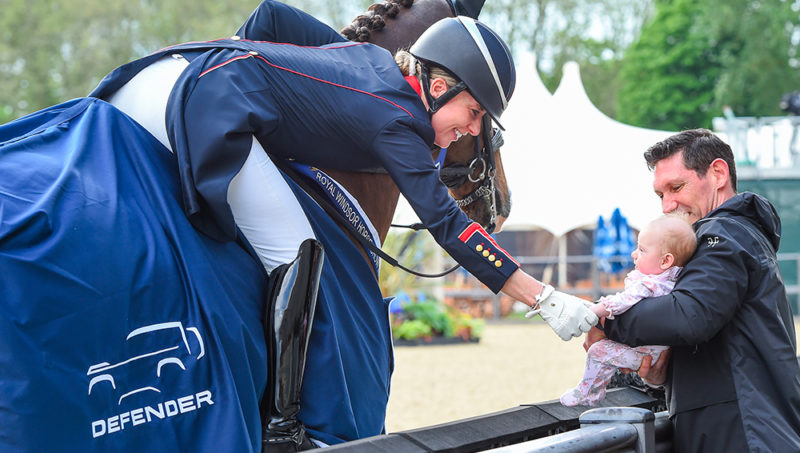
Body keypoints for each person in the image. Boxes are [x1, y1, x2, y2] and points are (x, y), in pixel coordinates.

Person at [0, 1, 597, 451]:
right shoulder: (399, 122)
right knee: (302, 246)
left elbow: (269, 14)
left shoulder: (369, 61)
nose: (470, 131)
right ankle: (288, 428)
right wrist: (543, 298)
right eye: (472, 114)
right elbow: (446, 224)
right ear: (439, 86)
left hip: (156, 76)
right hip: (198, 101)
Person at [590, 128, 800, 452]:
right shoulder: (739, 235)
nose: (667, 205)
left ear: (717, 173)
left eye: (676, 187)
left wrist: (604, 317)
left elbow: (690, 316)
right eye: (660, 194)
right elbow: (726, 351)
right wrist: (662, 375)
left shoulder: (723, 233)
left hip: (746, 439)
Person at [560, 214, 696, 407]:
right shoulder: (671, 282)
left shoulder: (650, 284)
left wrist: (595, 310)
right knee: (603, 351)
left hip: (647, 355)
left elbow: (623, 302)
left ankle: (588, 393)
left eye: (642, 250)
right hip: (653, 351)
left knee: (598, 350)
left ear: (665, 261)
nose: (634, 254)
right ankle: (593, 390)